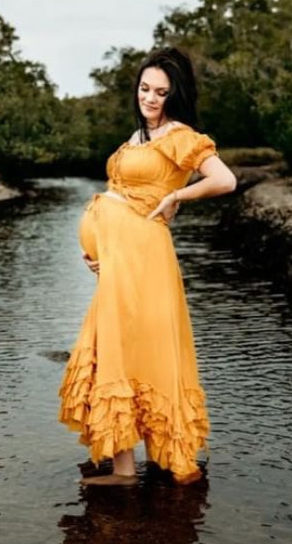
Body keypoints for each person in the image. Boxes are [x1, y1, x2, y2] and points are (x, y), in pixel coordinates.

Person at [58, 46, 237, 486]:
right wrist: (98, 249)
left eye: (161, 91)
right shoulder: (138, 137)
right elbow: (117, 193)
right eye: (145, 88)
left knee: (133, 348)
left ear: (174, 95)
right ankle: (125, 466)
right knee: (113, 347)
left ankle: (149, 461)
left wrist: (178, 196)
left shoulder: (180, 136)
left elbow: (225, 179)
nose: (151, 98)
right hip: (120, 259)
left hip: (145, 257)